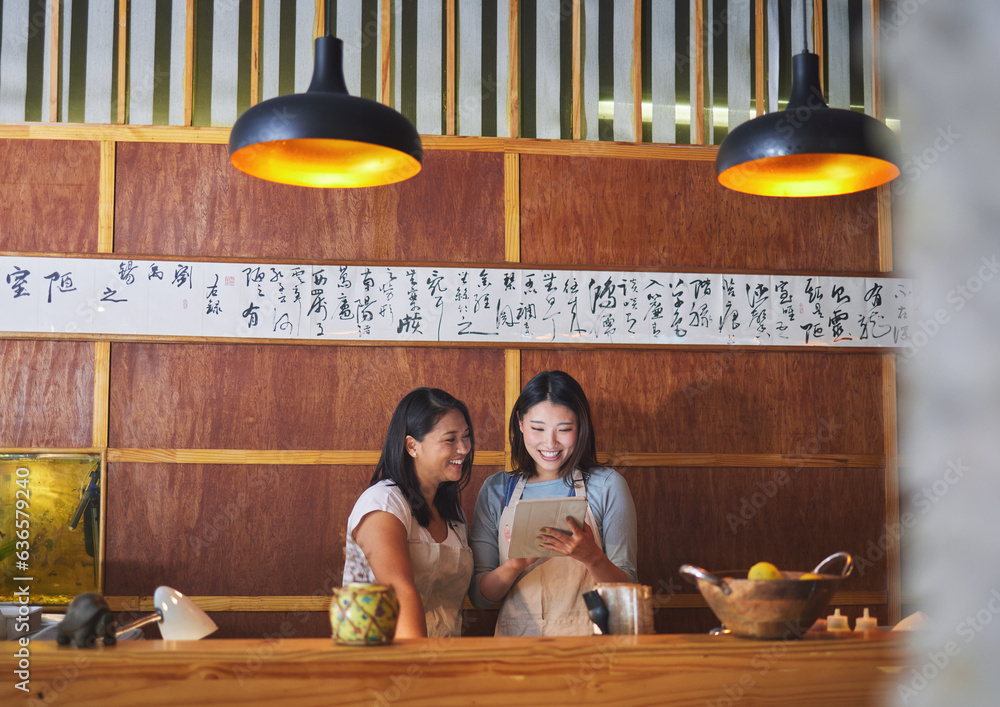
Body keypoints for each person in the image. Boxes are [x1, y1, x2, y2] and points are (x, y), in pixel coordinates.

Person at [469, 370, 638, 636]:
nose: (550, 443)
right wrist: (514, 565)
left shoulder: (607, 485)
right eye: (537, 428)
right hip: (518, 651)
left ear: (581, 427)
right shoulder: (497, 489)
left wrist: (592, 557)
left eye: (565, 430)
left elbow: (629, 588)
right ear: (520, 423)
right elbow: (480, 598)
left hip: (590, 646)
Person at [343, 388, 474, 638]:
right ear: (412, 446)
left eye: (466, 437)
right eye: (450, 439)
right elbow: (399, 590)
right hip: (387, 661)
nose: (464, 448)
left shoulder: (453, 512)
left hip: (443, 660)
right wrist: (416, 666)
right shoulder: (383, 502)